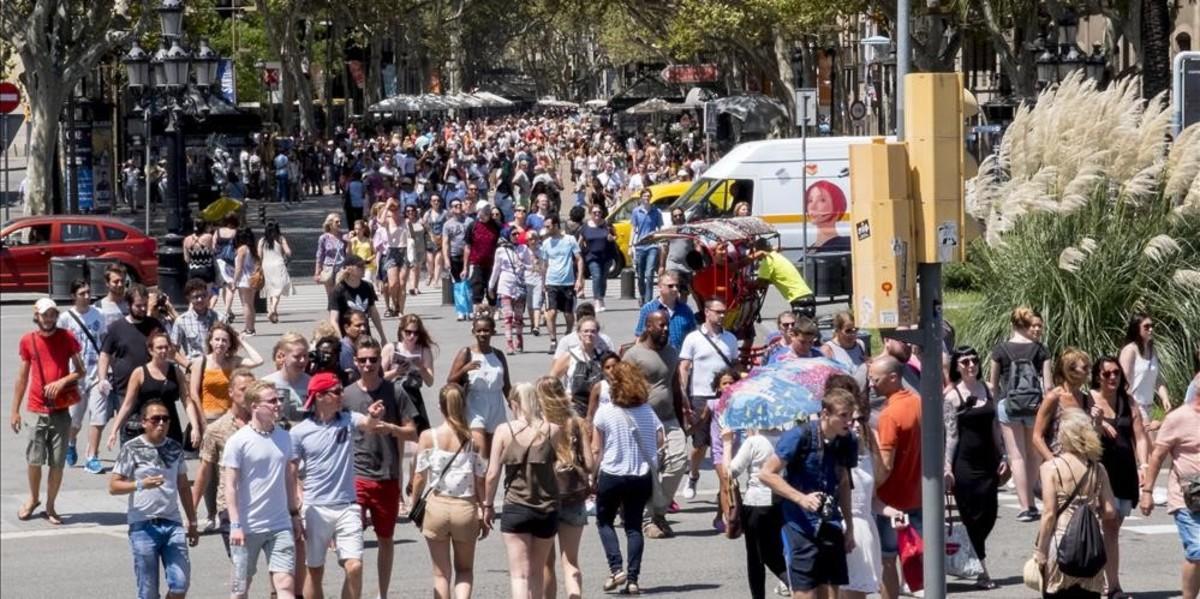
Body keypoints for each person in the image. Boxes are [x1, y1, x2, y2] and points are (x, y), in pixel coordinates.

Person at [290, 371, 392, 599]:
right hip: (316, 507)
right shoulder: (299, 432)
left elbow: (368, 424)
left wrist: (374, 416)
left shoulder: (348, 419)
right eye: (335, 392)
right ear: (319, 396)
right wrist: (296, 503)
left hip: (348, 505)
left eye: (341, 391)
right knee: (315, 570)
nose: (341, 395)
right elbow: (292, 470)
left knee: (355, 565)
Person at [758, 388, 856, 599]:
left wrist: (850, 528)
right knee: (805, 593)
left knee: (831, 591)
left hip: (831, 522)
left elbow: (845, 483)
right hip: (799, 524)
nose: (849, 421)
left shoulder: (847, 441)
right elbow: (766, 474)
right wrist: (801, 498)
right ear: (825, 414)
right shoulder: (800, 436)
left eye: (851, 415)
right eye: (843, 415)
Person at [344, 338, 419, 598]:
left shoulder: (395, 391)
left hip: (387, 475)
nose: (368, 364)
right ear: (355, 362)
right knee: (353, 545)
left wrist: (390, 428)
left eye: (373, 360)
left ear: (380, 361)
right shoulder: (347, 395)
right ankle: (354, 593)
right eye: (363, 360)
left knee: (386, 539)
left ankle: (382, 593)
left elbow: (413, 432)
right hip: (356, 476)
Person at [108, 399, 200, 599]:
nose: (161, 423)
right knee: (148, 592)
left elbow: (183, 487)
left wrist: (192, 522)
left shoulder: (175, 448)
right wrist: (141, 484)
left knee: (180, 585)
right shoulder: (131, 448)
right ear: (143, 422)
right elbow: (114, 486)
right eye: (155, 419)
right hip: (143, 525)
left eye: (165, 419)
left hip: (172, 524)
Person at [223, 381, 302, 599]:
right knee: (240, 588)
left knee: (285, 585)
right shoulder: (238, 441)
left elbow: (289, 478)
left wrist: (294, 514)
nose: (278, 404)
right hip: (247, 528)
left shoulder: (285, 437)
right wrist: (235, 524)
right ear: (254, 406)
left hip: (280, 525)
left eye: (279, 400)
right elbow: (230, 485)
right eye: (272, 401)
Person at [483, 383, 563, 599]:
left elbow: (492, 474)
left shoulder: (503, 431)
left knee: (519, 575)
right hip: (546, 507)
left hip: (516, 506)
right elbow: (557, 471)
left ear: (515, 404)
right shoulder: (552, 430)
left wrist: (488, 505)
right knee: (537, 572)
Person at [590, 362, 662, 595]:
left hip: (612, 473)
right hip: (640, 475)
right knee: (633, 527)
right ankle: (632, 579)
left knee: (604, 521)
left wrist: (592, 476)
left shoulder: (605, 412)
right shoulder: (647, 411)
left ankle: (616, 567)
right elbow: (660, 439)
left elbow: (595, 449)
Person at [412, 384, 488, 599]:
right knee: (464, 570)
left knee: (440, 573)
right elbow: (480, 480)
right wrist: (483, 509)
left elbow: (419, 476)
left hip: (437, 505)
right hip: (465, 507)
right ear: (463, 405)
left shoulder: (428, 436)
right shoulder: (473, 440)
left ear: (440, 407)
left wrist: (414, 503)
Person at [12, 298, 85, 525]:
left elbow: (80, 371)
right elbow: (22, 377)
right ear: (37, 316)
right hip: (35, 409)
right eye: (45, 315)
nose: (49, 318)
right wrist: (14, 411)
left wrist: (62, 381)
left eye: (53, 314)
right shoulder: (28, 341)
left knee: (57, 463)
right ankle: (33, 498)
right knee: (34, 460)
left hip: (60, 410)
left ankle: (51, 506)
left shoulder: (66, 337)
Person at [1033, 409, 1119, 599]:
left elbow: (1049, 514)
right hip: (1091, 546)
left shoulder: (1050, 468)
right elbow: (1111, 511)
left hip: (1061, 542)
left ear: (1064, 435)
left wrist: (1040, 552)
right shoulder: (1098, 468)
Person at [943, 346, 1007, 590]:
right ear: (957, 367)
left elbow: (996, 427)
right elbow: (951, 435)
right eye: (965, 362)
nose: (971, 365)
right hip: (965, 464)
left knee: (989, 514)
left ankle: (973, 559)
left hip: (989, 462)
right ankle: (982, 570)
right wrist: (947, 465)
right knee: (971, 517)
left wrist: (1004, 455)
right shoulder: (952, 397)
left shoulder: (989, 390)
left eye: (974, 361)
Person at [622, 311, 688, 538]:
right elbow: (622, 390)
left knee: (679, 462)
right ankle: (649, 519)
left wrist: (682, 417)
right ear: (648, 327)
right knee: (649, 471)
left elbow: (675, 387)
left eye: (667, 325)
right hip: (643, 420)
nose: (666, 329)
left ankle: (658, 512)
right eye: (661, 325)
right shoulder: (633, 355)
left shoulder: (671, 352)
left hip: (669, 418)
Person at [1090, 356, 1150, 598]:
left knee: (1112, 529)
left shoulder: (1128, 401)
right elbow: (1081, 435)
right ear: (1097, 376)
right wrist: (1098, 422)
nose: (1112, 377)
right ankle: (1111, 585)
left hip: (1124, 473)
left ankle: (1107, 581)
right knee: (1108, 526)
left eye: (1116, 373)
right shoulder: (1089, 401)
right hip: (1099, 473)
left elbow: (1141, 436)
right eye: (1107, 374)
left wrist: (1144, 463)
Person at [1139, 367, 1200, 599]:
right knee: (1197, 550)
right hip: (1186, 497)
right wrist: (1147, 492)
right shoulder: (1177, 419)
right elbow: (1157, 457)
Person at [991, 306, 1054, 522]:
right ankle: (1033, 502)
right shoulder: (1040, 350)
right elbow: (1048, 386)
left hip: (1009, 406)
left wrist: (993, 407)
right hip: (1035, 406)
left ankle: (1024, 506)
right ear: (1027, 326)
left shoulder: (1000, 350)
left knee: (1016, 456)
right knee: (1033, 454)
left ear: (1012, 325)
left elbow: (993, 384)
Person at [536, 377, 595, 599]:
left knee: (546, 564)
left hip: (546, 498)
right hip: (574, 497)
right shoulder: (577, 422)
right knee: (570, 561)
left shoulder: (540, 426)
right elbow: (589, 465)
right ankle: (574, 593)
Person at [869, 355, 923, 599]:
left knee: (888, 560)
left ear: (893, 378)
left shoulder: (889, 416)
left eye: (875, 379)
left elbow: (886, 465)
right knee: (919, 558)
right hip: (920, 495)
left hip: (891, 500)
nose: (871, 384)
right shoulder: (919, 403)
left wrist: (870, 489)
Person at [678, 299, 738, 501]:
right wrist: (683, 392)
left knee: (726, 441)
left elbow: (734, 365)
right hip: (701, 395)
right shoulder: (693, 338)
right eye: (718, 311)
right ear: (707, 312)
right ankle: (693, 475)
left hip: (725, 396)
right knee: (699, 443)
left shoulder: (730, 338)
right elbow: (684, 367)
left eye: (724, 312)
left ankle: (725, 484)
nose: (722, 315)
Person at [191, 368, 255, 548]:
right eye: (243, 389)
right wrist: (191, 512)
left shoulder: (266, 425)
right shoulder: (216, 429)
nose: (248, 394)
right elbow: (204, 472)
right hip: (229, 507)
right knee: (241, 567)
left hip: (262, 504)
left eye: (252, 389)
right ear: (231, 392)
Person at [109, 330, 202, 450]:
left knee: (170, 465)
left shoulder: (176, 372)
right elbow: (127, 404)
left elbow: (187, 401)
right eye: (159, 348)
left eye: (166, 347)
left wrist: (195, 427)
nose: (163, 351)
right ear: (151, 350)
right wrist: (114, 430)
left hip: (169, 426)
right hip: (145, 426)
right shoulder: (140, 373)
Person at [837, 376, 884, 599]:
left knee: (858, 593)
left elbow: (874, 492)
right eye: (849, 418)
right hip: (843, 527)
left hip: (866, 526)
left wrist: (892, 511)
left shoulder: (865, 450)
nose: (855, 424)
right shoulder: (832, 452)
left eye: (860, 419)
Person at [728, 423, 787, 599]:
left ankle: (767, 592)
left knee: (756, 556)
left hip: (756, 500)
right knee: (775, 549)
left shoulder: (754, 441)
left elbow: (732, 470)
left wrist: (726, 446)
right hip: (780, 500)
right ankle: (791, 581)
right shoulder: (786, 439)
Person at [448, 315, 512, 459]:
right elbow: (450, 381)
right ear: (474, 332)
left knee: (495, 457)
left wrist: (515, 404)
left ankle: (490, 482)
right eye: (479, 330)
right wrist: (464, 370)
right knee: (480, 457)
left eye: (486, 330)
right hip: (474, 405)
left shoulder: (498, 355)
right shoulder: (466, 353)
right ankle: (478, 481)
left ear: (493, 332)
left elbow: (506, 385)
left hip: (496, 406)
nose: (482, 334)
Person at [58, 279, 104, 469]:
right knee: (75, 420)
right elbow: (59, 349)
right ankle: (71, 443)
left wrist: (105, 372)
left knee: (98, 416)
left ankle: (92, 456)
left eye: (88, 293)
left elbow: (105, 342)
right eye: (82, 294)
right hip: (75, 376)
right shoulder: (66, 318)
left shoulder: (99, 315)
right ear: (73, 297)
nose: (87, 297)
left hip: (96, 374)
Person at [1034, 349, 1097, 465]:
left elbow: (1095, 435)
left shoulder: (1086, 399)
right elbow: (1037, 436)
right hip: (1059, 461)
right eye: (1084, 368)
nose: (1088, 372)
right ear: (1070, 370)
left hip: (1083, 462)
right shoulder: (1053, 398)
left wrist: (1099, 420)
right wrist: (1053, 462)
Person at [539, 213, 584, 353]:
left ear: (556, 225)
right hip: (551, 282)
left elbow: (579, 259)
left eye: (548, 226)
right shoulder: (546, 243)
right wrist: (543, 282)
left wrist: (579, 279)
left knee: (568, 314)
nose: (546, 229)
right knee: (551, 313)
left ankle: (568, 333)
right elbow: (544, 264)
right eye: (545, 226)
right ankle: (553, 340)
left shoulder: (569, 240)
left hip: (567, 282)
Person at [1119, 313, 1172, 426]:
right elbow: (1124, 383)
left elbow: (1157, 379)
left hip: (1149, 406)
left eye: (1152, 326)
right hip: (1134, 406)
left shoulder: (1153, 351)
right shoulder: (1130, 351)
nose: (1151, 329)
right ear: (1136, 328)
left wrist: (1165, 398)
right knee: (1147, 441)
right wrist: (1133, 408)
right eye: (1146, 326)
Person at [550, 316, 605, 418]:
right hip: (575, 409)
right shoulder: (569, 356)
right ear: (579, 333)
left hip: (600, 409)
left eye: (593, 331)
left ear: (597, 334)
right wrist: (563, 398)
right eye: (586, 331)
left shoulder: (604, 357)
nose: (589, 334)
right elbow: (550, 381)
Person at [489, 227, 532, 353]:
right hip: (505, 284)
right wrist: (491, 286)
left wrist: (523, 266)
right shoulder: (500, 251)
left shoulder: (523, 248)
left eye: (517, 234)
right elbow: (496, 269)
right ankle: (509, 342)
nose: (516, 236)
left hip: (519, 285)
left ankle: (519, 337)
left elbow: (531, 265)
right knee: (507, 316)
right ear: (507, 235)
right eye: (513, 234)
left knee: (518, 316)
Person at [327, 254, 387, 344]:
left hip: (365, 337)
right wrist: (342, 342)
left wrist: (382, 336)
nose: (364, 268)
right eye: (359, 266)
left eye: (364, 265)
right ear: (348, 268)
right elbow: (333, 320)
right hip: (347, 338)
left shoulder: (367, 286)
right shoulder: (338, 290)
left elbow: (373, 312)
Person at [632, 272, 696, 352]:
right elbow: (640, 337)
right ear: (660, 287)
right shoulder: (648, 309)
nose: (675, 289)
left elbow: (694, 336)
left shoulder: (686, 310)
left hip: (679, 359)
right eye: (670, 286)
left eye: (677, 286)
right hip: (656, 358)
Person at [753, 238, 815, 318]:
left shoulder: (767, 260)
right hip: (805, 295)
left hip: (799, 298)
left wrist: (748, 285)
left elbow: (761, 282)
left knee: (801, 328)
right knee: (804, 326)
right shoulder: (775, 255)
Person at [170, 279, 219, 368]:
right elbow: (173, 350)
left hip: (217, 367)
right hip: (194, 367)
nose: (200, 300)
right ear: (188, 298)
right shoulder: (181, 321)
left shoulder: (219, 318)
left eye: (203, 296)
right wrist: (187, 365)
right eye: (196, 297)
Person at [263, 333, 311, 423]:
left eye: (305, 356)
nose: (303, 360)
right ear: (282, 356)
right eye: (297, 356)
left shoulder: (311, 383)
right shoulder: (267, 383)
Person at [629, 188, 664, 304]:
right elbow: (633, 229)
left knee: (649, 275)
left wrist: (661, 242)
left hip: (652, 246)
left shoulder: (656, 211)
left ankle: (648, 301)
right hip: (640, 245)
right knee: (640, 275)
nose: (647, 198)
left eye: (648, 195)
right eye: (644, 196)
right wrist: (630, 245)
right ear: (641, 197)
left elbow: (660, 229)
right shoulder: (636, 212)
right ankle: (643, 295)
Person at [579, 205, 615, 311]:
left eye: (599, 212)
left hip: (606, 256)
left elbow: (614, 236)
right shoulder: (586, 226)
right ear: (590, 213)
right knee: (596, 277)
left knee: (603, 279)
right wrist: (576, 252)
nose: (597, 214)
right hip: (592, 256)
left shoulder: (606, 224)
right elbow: (580, 241)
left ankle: (601, 297)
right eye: (594, 212)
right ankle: (596, 301)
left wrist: (611, 238)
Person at [258, 220, 294, 324]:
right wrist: (286, 256)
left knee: (271, 290)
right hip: (278, 265)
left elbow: (259, 255)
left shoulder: (262, 240)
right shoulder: (280, 238)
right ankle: (273, 309)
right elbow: (288, 252)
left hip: (266, 266)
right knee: (278, 290)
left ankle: (274, 314)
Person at [230, 227, 260, 336]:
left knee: (246, 305)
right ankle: (251, 327)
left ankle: (248, 328)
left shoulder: (241, 249)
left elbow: (239, 268)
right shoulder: (252, 248)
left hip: (244, 280)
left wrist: (234, 282)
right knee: (251, 305)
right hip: (252, 279)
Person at [315, 213, 348, 302]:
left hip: (341, 267)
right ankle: (333, 314)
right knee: (330, 295)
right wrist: (317, 272)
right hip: (328, 267)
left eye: (340, 221)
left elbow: (348, 253)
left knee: (340, 290)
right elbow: (320, 255)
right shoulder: (323, 238)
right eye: (337, 222)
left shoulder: (344, 237)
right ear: (330, 223)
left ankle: (341, 312)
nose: (339, 224)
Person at [213, 216, 240, 319]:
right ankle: (227, 311)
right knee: (231, 287)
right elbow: (238, 246)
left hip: (219, 260)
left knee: (225, 287)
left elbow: (213, 245)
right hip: (230, 261)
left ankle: (228, 310)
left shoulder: (218, 231)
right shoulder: (234, 232)